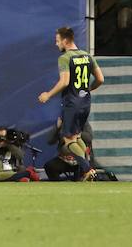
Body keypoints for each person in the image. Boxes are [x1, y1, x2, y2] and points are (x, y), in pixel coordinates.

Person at [38, 26, 103, 176]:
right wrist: (88, 90)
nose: (56, 44)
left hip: (72, 102)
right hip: (85, 102)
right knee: (77, 137)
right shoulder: (87, 55)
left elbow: (64, 82)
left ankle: (87, 169)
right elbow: (100, 79)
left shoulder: (65, 58)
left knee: (68, 139)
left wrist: (48, 94)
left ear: (66, 41)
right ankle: (88, 166)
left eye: (58, 41)